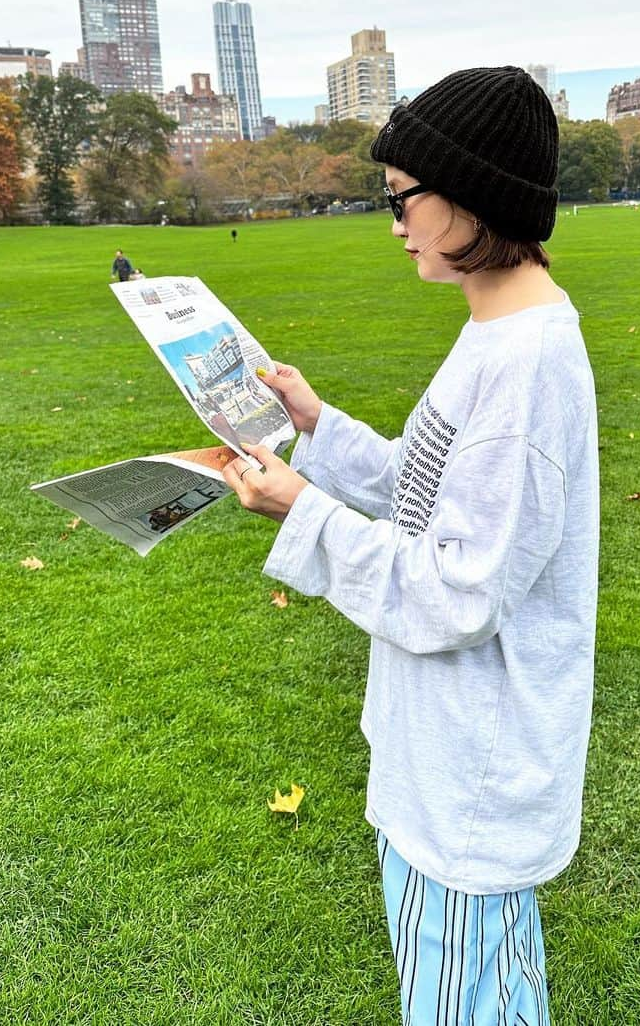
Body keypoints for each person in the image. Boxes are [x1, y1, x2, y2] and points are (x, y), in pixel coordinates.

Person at [221, 67, 598, 1025]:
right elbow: (429, 494)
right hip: (443, 739)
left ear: (474, 195)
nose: (392, 223)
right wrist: (316, 426)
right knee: (490, 990)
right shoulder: (496, 330)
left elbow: (457, 592)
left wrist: (300, 511)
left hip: (475, 760)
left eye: (402, 199)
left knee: (461, 1002)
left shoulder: (525, 366)